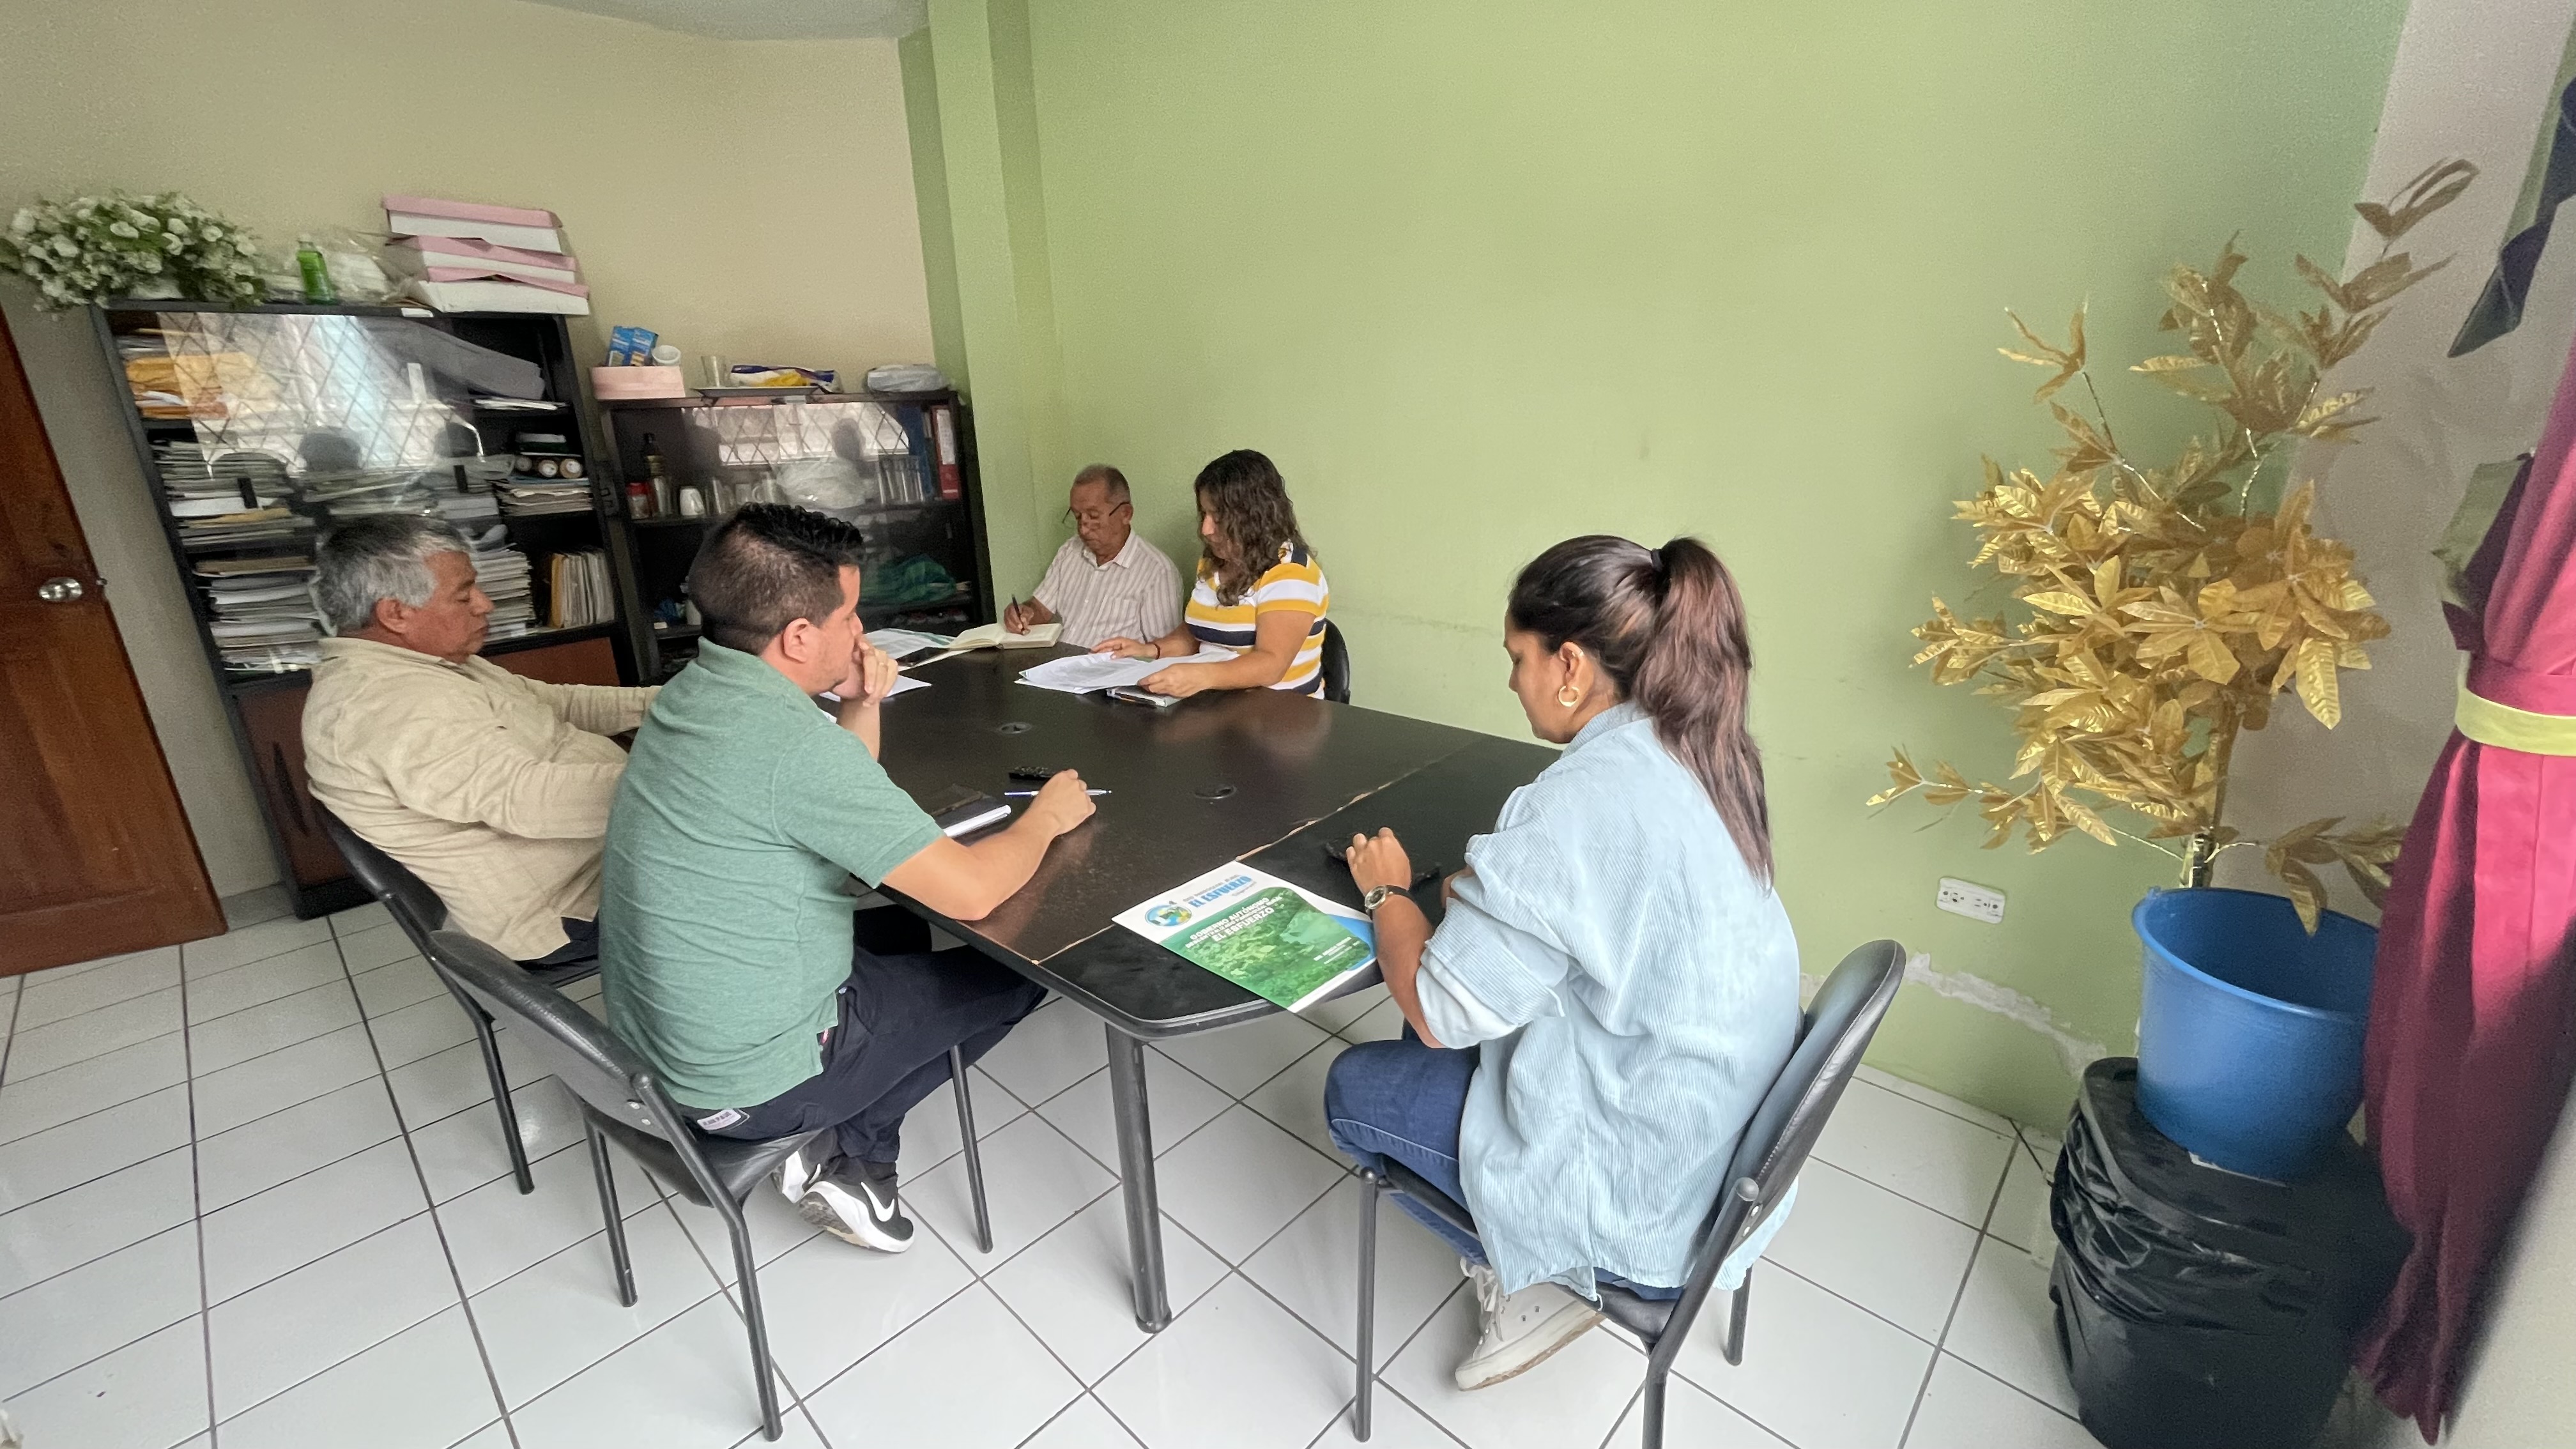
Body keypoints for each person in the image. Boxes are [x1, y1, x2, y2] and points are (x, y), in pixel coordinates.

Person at [1322, 535, 1800, 1391]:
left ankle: (1546, 1277)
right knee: (1446, 1003)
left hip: (1642, 1202)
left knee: (1352, 1083)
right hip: (1715, 1144)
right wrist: (1487, 895)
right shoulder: (1705, 750)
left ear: (1570, 665)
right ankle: (1533, 1248)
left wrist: (1386, 891)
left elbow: (1434, 1009)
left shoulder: (1578, 800)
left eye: (1519, 658)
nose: (1514, 681)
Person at [601, 504, 1096, 1252]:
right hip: (747, 1083)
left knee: (902, 927)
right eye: (851, 617)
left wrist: (862, 702)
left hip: (667, 1044)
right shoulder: (792, 747)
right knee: (1020, 968)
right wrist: (1046, 818)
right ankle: (851, 1155)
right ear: (799, 637)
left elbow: (828, 800)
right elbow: (973, 891)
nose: (862, 632)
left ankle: (838, 1129)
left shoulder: (692, 693)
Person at [302, 514, 656, 965]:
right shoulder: (387, 704)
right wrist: (687, 782)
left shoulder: (425, 662)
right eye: (464, 594)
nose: (485, 604)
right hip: (576, 905)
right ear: (396, 614)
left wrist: (670, 703)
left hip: (604, 857)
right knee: (747, 861)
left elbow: (553, 702)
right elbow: (529, 800)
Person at [1091, 449, 1331, 696]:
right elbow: (1197, 634)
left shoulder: (1292, 573)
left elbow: (1271, 665)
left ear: (1254, 517)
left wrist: (1202, 676)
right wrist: (1150, 650)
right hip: (1220, 706)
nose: (1206, 529)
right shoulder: (1213, 564)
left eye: (1219, 517)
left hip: (1282, 712)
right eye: (1204, 514)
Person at [1000, 464, 1184, 648]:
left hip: (1110, 666)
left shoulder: (1157, 572)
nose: (1083, 529)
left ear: (1126, 514)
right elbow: (1041, 608)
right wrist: (1024, 613)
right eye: (1077, 517)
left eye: (1093, 516)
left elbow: (1164, 651)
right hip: (1060, 660)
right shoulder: (1070, 551)